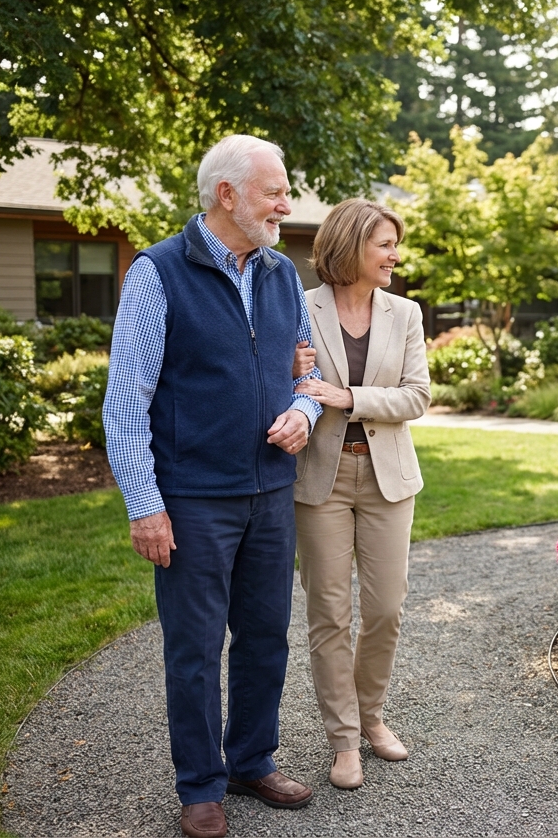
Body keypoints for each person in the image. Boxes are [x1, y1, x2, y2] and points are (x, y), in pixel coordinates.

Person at [104, 135, 323, 838]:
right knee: (194, 649)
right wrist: (146, 506)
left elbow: (305, 373)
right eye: (275, 191)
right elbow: (123, 403)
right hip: (194, 499)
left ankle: (250, 761)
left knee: (265, 638)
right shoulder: (158, 273)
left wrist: (303, 411)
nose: (286, 203)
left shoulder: (282, 272)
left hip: (269, 493)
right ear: (227, 195)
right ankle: (199, 785)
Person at [292, 198, 430, 790]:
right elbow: (280, 385)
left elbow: (417, 397)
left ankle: (372, 715)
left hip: (387, 477)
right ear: (351, 247)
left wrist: (349, 396)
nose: (395, 256)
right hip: (319, 478)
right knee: (329, 613)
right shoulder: (299, 308)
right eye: (385, 245)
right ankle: (343, 739)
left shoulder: (405, 313)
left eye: (395, 245)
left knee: (384, 609)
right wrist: (287, 368)